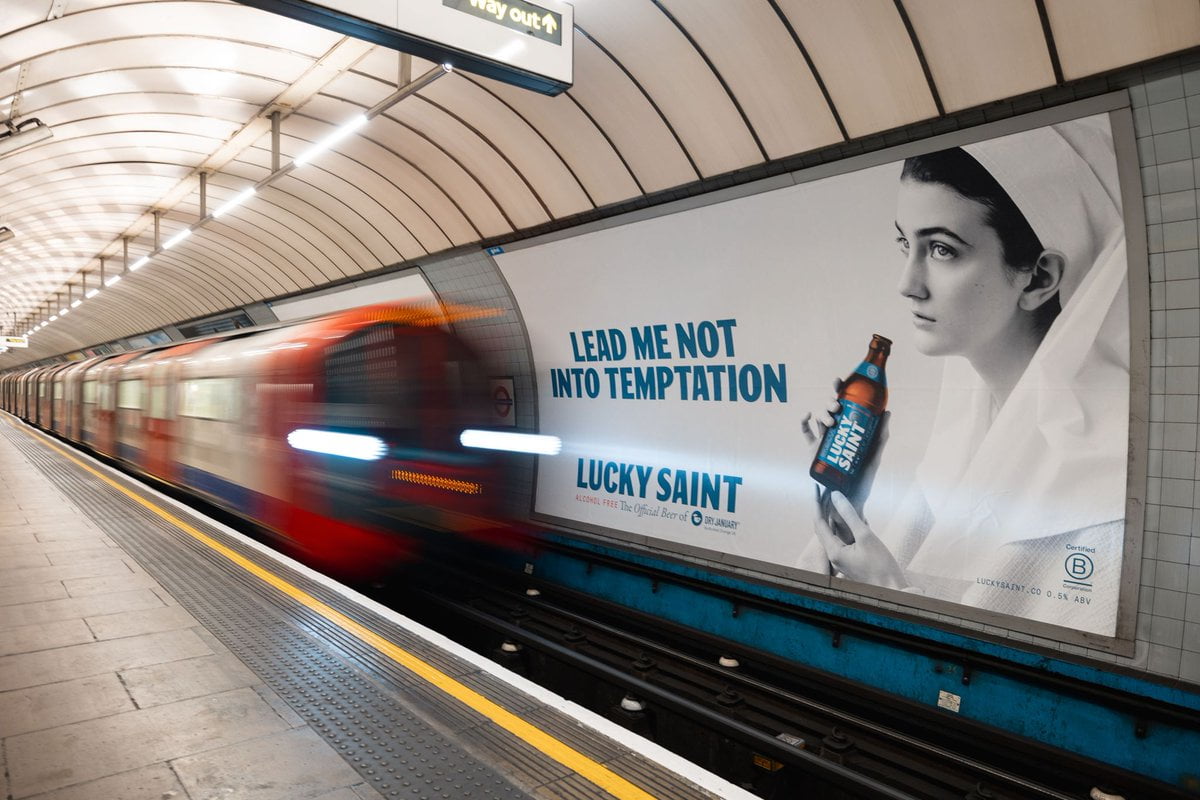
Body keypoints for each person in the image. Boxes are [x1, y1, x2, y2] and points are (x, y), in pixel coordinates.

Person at [801, 116, 1129, 634]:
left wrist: (887, 591)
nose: (907, 284)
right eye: (904, 244)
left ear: (1040, 277)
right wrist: (847, 506)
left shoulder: (1108, 485)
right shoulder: (960, 441)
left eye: (941, 249)